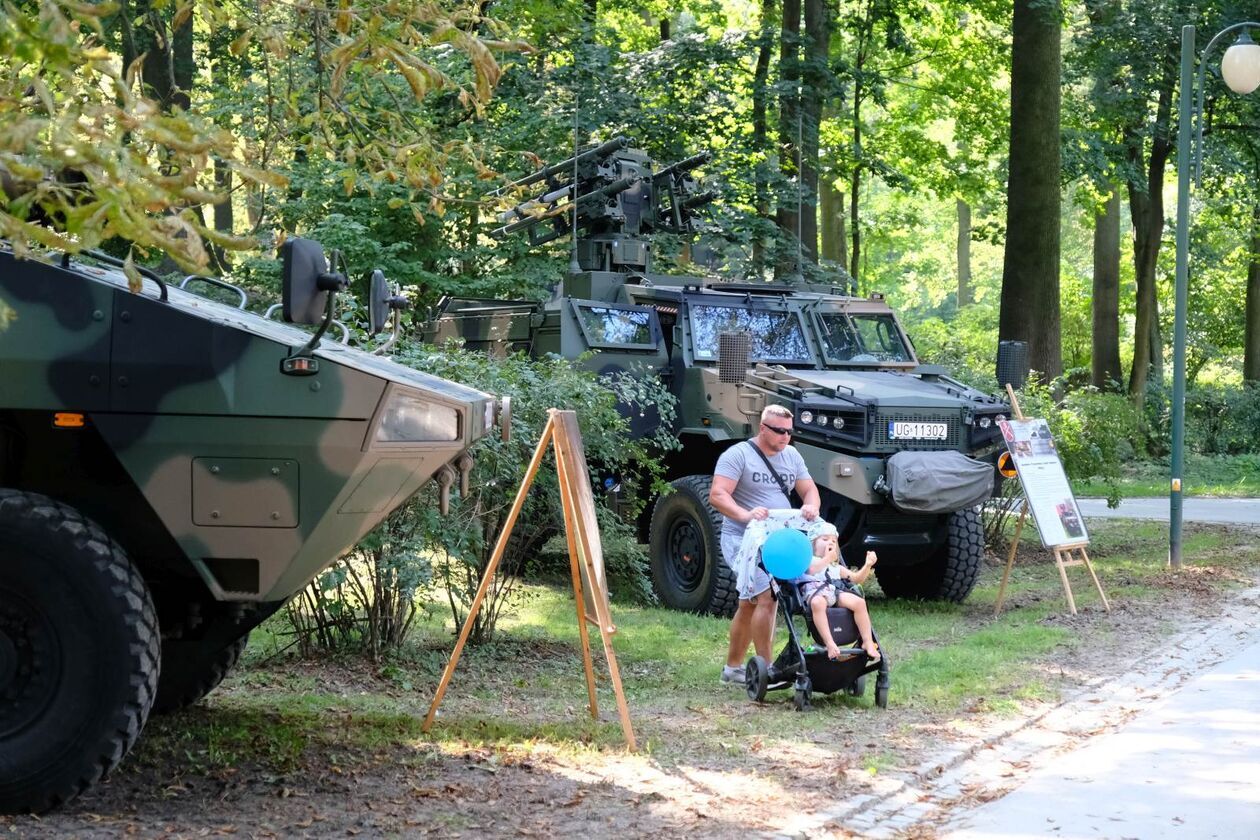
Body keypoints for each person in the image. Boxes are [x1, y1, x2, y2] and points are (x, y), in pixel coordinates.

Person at [710, 404, 820, 686]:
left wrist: (810, 505)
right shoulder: (738, 455)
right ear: (763, 428)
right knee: (767, 597)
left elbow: (808, 489)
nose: (786, 437)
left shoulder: (792, 456)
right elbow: (718, 495)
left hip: (779, 539)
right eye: (780, 431)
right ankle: (768, 670)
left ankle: (733, 668)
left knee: (749, 603)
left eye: (790, 432)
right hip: (744, 539)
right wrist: (745, 515)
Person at [795, 522, 880, 663]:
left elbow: (856, 579)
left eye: (833, 541)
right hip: (815, 593)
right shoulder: (808, 560)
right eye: (825, 539)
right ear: (813, 544)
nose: (830, 542)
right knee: (818, 603)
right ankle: (829, 642)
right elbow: (812, 570)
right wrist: (827, 558)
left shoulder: (835, 567)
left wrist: (867, 565)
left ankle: (867, 641)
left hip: (834, 592)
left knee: (859, 603)